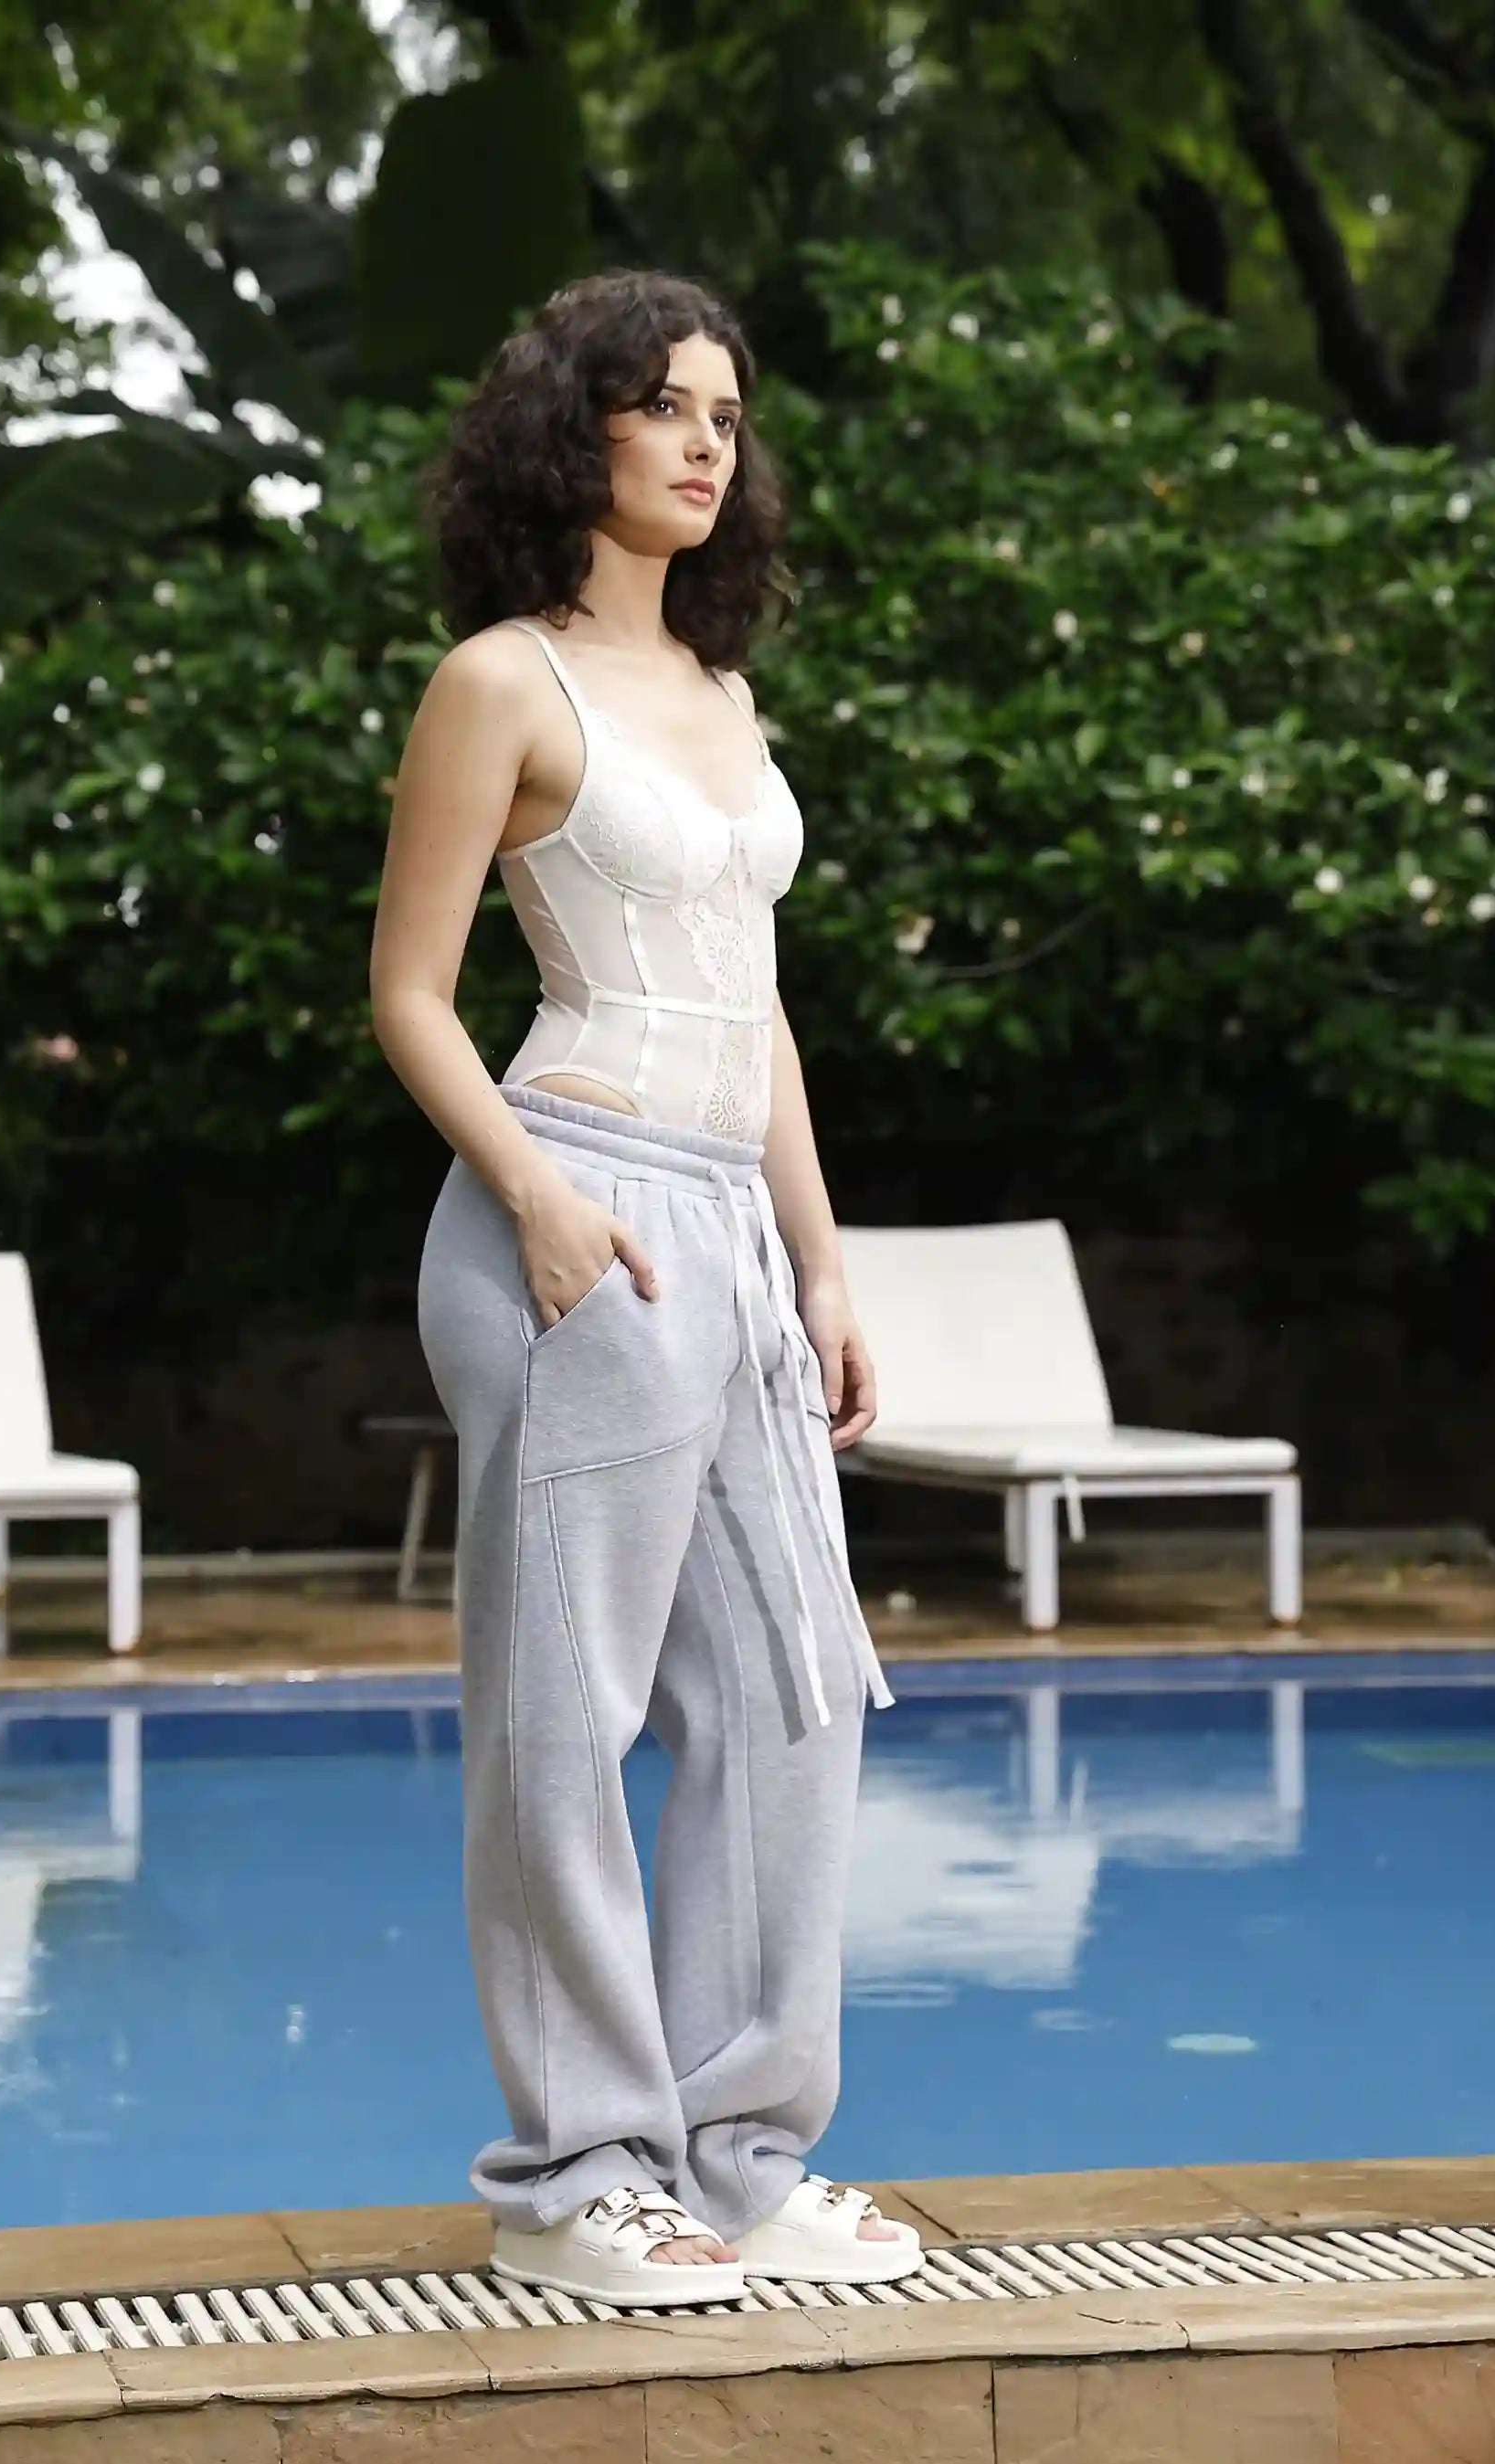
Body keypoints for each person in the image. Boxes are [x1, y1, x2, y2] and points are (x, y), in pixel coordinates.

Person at [369, 268, 918, 2311]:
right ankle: (575, 2175)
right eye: (663, 406)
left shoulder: (722, 690)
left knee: (786, 1698)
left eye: (725, 412)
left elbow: (756, 1012)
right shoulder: (501, 683)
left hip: (731, 1230)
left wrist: (822, 1260)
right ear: (568, 435)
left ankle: (740, 2148)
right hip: (573, 1211)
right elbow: (409, 992)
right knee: (562, 1716)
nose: (706, 439)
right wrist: (532, 1197)